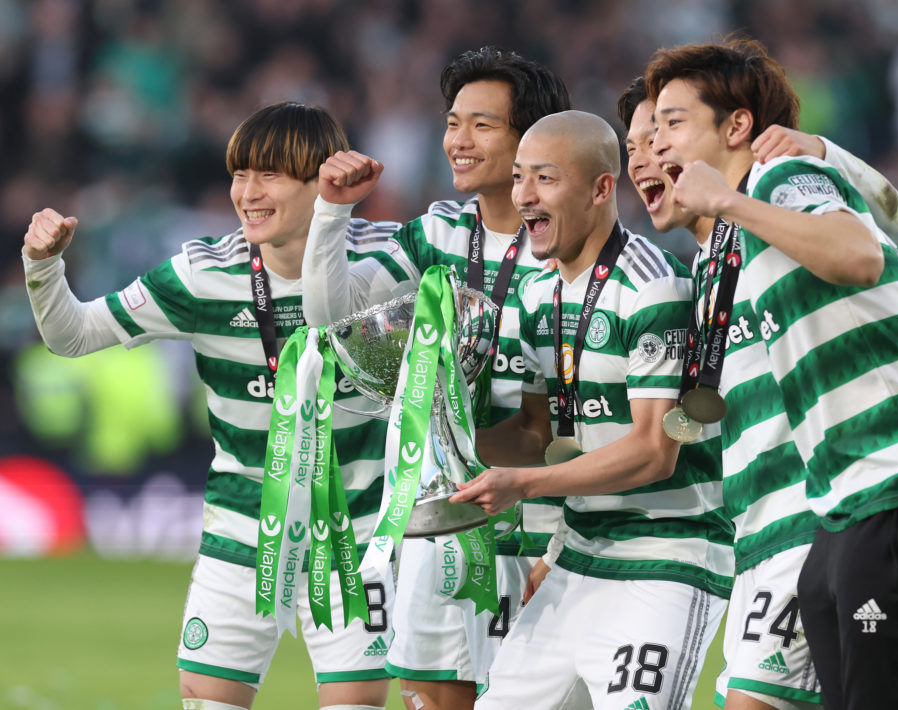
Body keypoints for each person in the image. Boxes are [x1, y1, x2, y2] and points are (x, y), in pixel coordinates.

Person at [646, 38, 898, 710]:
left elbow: (859, 254)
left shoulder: (775, 183)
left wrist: (744, 194)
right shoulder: (734, 244)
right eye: (653, 127)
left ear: (737, 127)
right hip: (842, 509)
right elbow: (896, 222)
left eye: (673, 122)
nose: (657, 143)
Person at [23, 102, 394, 710]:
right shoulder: (202, 274)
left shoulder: (386, 262)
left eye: (269, 175)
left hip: (353, 535)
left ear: (323, 179)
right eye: (238, 174)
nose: (246, 193)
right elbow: (74, 335)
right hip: (244, 530)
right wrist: (44, 267)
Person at [302, 47, 572, 710]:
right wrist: (330, 216)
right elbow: (331, 320)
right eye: (453, 122)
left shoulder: (572, 247)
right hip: (443, 522)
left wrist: (561, 546)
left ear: (531, 141)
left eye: (482, 125)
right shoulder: (438, 232)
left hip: (544, 522)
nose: (458, 140)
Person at [449, 109, 733, 710]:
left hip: (666, 556)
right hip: (578, 556)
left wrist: (525, 485)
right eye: (520, 177)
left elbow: (654, 452)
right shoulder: (534, 292)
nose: (523, 195)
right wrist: (438, 437)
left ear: (602, 188)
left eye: (545, 179)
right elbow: (535, 433)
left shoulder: (654, 287)